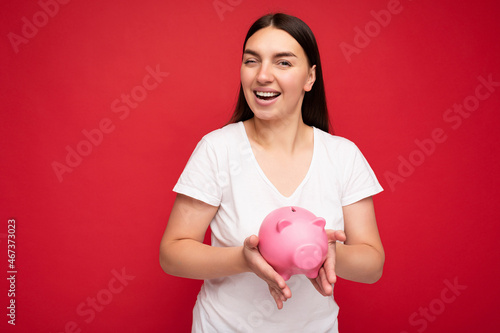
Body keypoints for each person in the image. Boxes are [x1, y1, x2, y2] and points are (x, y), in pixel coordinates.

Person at [160, 12, 385, 332]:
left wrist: (324, 250)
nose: (263, 75)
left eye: (283, 62)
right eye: (252, 61)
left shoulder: (342, 156)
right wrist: (244, 259)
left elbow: (372, 265)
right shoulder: (218, 149)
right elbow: (172, 253)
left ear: (310, 78)